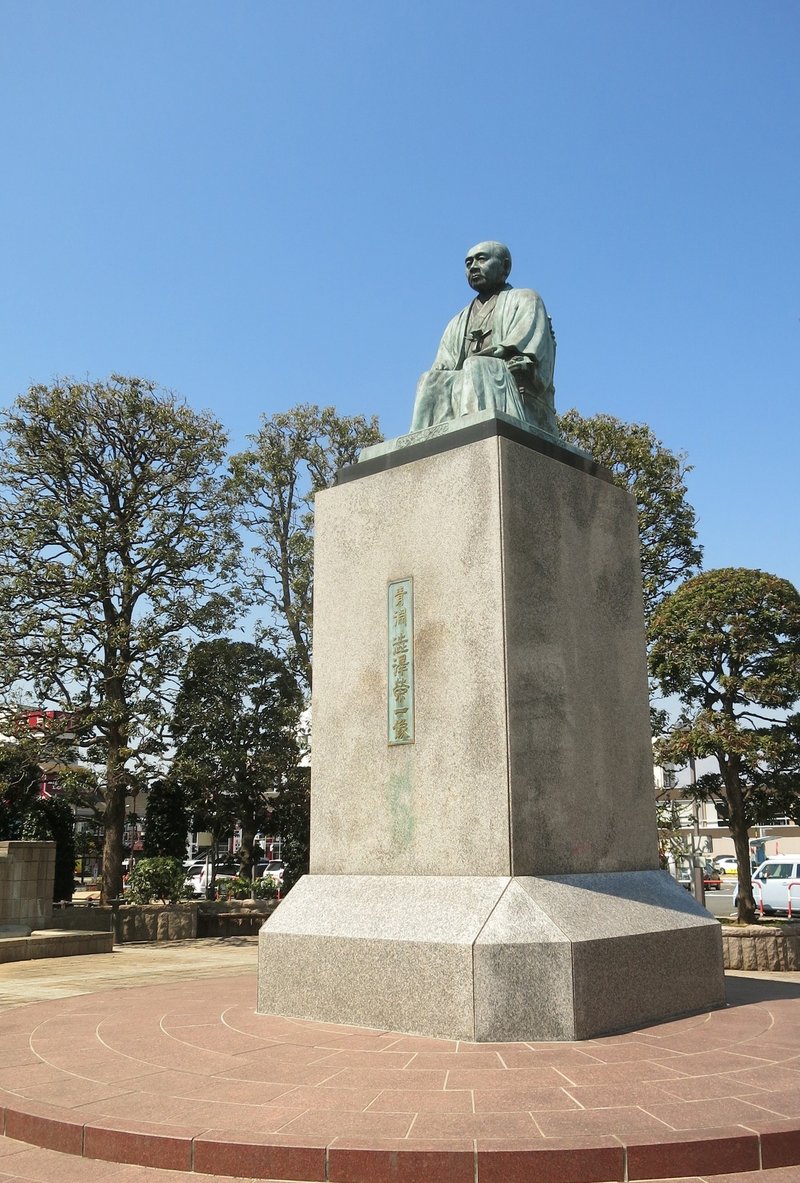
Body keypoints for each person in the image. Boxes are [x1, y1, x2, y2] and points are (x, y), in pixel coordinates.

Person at [410, 241, 560, 437]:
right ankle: (423, 444)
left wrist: (515, 358)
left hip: (510, 385)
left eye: (481, 259)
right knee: (428, 380)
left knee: (475, 365)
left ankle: (473, 436)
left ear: (505, 266)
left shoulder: (526, 299)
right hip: (466, 381)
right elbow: (443, 366)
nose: (473, 267)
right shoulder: (458, 321)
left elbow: (528, 354)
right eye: (468, 263)